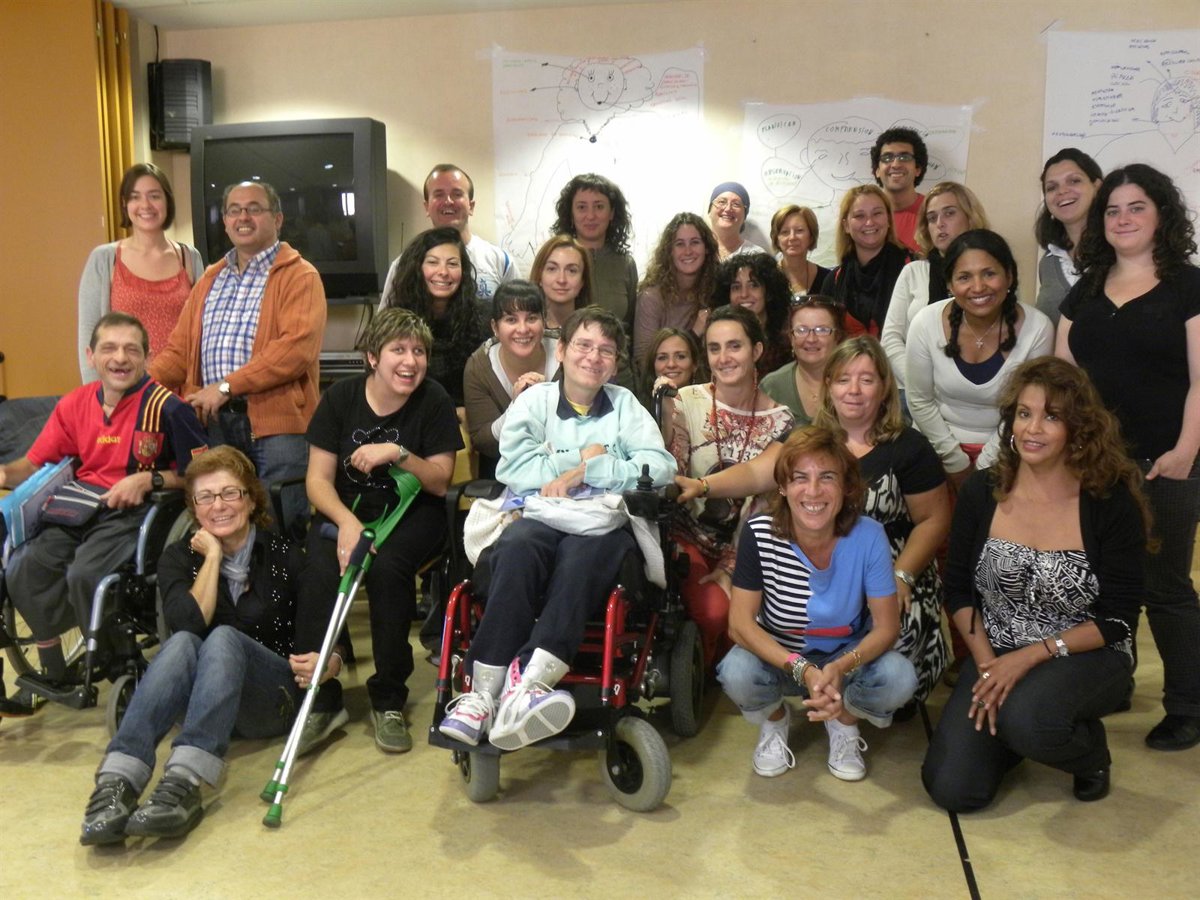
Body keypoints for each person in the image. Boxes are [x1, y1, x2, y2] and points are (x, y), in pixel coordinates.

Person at [438, 306, 676, 751]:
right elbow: (515, 468)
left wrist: (590, 471)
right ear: (562, 351)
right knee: (518, 544)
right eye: (583, 345)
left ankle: (531, 684)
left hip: (602, 523)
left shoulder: (626, 405)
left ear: (615, 363)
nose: (594, 357)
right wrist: (583, 459)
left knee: (584, 552)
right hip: (540, 516)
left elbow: (660, 466)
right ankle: (481, 694)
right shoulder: (534, 402)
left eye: (606, 350)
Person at [922, 358, 1147, 810]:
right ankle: (1013, 732)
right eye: (1024, 413)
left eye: (1052, 416)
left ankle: (1089, 755)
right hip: (995, 649)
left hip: (1082, 652)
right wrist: (988, 665)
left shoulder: (1109, 501)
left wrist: (1028, 657)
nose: (1033, 428)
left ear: (1078, 428)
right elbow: (959, 588)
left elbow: (1119, 619)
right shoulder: (982, 490)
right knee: (953, 789)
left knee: (1030, 721)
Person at [78, 447, 309, 844]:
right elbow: (187, 623)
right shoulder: (177, 557)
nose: (218, 505)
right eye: (206, 497)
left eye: (230, 493)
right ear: (194, 509)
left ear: (251, 500)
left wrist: (329, 659)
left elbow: (320, 637)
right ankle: (118, 781)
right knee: (185, 640)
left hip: (269, 700)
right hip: (203, 701)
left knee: (223, 637)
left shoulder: (285, 555)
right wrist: (213, 559)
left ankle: (184, 782)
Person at [1057, 163, 1200, 752]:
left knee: (1165, 587)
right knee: (1106, 585)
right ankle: (1113, 683)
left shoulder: (1189, 285)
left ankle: (1188, 706)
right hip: (1096, 465)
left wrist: (1185, 451)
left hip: (1168, 463)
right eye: (1113, 210)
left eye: (1137, 207)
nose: (1123, 219)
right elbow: (1062, 380)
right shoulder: (1087, 288)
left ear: (1161, 214)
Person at [0, 313, 208, 680]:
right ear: (91, 355)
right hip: (81, 506)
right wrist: (4, 473)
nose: (120, 358)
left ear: (147, 356)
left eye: (131, 349)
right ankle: (54, 670)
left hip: (138, 512)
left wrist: (149, 480)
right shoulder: (75, 403)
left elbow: (203, 472)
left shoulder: (169, 408)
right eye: (109, 348)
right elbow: (34, 464)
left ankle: (113, 661)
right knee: (26, 565)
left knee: (86, 574)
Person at [293, 309, 463, 756]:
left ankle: (388, 698)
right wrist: (347, 524)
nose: (410, 361)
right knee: (318, 571)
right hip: (346, 508)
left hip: (413, 510)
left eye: (418, 351)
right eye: (398, 350)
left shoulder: (434, 400)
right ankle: (322, 698)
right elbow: (317, 481)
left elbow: (440, 480)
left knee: (388, 569)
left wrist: (399, 453)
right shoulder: (341, 398)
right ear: (373, 357)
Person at [715, 426, 917, 781]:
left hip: (845, 659)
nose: (813, 491)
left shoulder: (870, 534)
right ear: (783, 486)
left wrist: (840, 666)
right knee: (737, 671)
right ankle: (775, 721)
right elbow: (739, 624)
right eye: (799, 478)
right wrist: (802, 670)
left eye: (827, 477)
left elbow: (887, 628)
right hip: (782, 657)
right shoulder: (759, 532)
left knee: (899, 677)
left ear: (846, 486)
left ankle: (844, 723)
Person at [151, 180, 326, 534]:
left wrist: (226, 386)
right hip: (214, 426)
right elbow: (179, 352)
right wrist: (137, 390)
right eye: (234, 210)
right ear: (226, 222)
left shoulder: (300, 276)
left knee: (280, 530)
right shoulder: (210, 279)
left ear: (277, 219)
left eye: (254, 209)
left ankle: (280, 575)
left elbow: (294, 351)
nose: (243, 217)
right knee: (223, 527)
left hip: (278, 430)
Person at [813, 337, 951, 703]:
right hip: (824, 570)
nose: (854, 390)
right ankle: (828, 694)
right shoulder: (809, 442)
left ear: (884, 388)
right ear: (828, 386)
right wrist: (702, 486)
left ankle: (850, 706)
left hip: (895, 568)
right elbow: (762, 477)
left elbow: (934, 520)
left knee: (894, 642)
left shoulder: (910, 447)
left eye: (867, 379)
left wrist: (902, 575)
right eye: (843, 379)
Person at [666, 306, 793, 669]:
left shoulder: (781, 420)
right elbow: (672, 472)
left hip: (749, 547)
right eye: (714, 348)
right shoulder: (686, 400)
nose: (724, 358)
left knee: (747, 623)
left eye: (734, 346)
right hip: (685, 537)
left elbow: (765, 497)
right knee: (714, 613)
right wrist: (663, 414)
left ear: (757, 350)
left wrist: (732, 565)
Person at [906, 229, 1054, 485]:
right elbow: (919, 400)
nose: (978, 287)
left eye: (989, 273)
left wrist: (983, 468)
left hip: (1010, 449)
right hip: (935, 446)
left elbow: (1024, 409)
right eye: (964, 277)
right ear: (950, 284)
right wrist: (954, 461)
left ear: (1009, 276)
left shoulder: (1038, 328)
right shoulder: (925, 323)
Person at [77, 162, 201, 381]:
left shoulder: (189, 257)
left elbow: (203, 331)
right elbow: (89, 334)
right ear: (125, 204)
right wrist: (97, 395)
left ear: (167, 201)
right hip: (124, 390)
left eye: (154, 196)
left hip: (182, 389)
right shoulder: (104, 259)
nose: (145, 205)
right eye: (135, 197)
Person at [881, 181, 991, 394]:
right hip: (913, 390)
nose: (940, 224)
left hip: (971, 391)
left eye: (949, 213)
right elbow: (891, 338)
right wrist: (920, 381)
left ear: (970, 217)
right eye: (932, 218)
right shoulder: (914, 272)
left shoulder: (992, 273)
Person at [381, 163, 520, 303]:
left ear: (471, 206)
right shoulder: (403, 266)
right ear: (427, 207)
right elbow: (388, 317)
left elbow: (520, 311)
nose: (448, 201)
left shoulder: (501, 262)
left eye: (457, 194)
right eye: (439, 194)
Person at [379, 226, 485, 407]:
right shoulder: (395, 323)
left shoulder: (482, 319)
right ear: (417, 268)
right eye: (433, 262)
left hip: (468, 415)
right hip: (412, 413)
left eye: (452, 264)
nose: (443, 272)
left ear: (463, 270)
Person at [464, 281, 560, 479]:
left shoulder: (568, 356)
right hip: (504, 473)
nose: (522, 329)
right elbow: (484, 443)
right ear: (495, 327)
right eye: (511, 319)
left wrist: (547, 399)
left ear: (544, 321)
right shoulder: (479, 366)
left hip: (566, 466)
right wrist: (516, 407)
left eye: (531, 318)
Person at [818, 185, 913, 337]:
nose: (869, 222)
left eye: (877, 213)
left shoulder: (913, 270)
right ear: (846, 226)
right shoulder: (834, 280)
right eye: (859, 216)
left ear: (889, 219)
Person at [551, 173, 638, 333]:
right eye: (581, 207)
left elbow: (630, 325)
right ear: (571, 214)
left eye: (599, 207)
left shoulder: (626, 264)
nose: (590, 216)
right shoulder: (554, 259)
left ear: (612, 213)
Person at [633, 212, 719, 363]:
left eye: (695, 242)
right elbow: (644, 360)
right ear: (670, 251)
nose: (688, 251)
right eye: (680, 244)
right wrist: (695, 333)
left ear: (706, 248)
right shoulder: (652, 298)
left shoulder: (716, 290)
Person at [1034, 148, 1103, 325]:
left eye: (1074, 181)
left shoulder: (1120, 251)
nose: (1062, 191)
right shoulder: (1048, 262)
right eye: (1052, 187)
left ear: (1097, 186)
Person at [759, 295, 845, 425]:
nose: (811, 339)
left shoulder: (854, 383)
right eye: (802, 330)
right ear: (791, 337)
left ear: (837, 336)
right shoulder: (771, 387)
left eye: (822, 330)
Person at [714, 253, 792, 375]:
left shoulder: (788, 337)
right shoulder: (717, 335)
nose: (744, 294)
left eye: (753, 285)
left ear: (769, 292)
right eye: (736, 287)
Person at [871, 127, 928, 253]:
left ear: (918, 169)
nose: (896, 165)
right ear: (877, 171)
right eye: (887, 158)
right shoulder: (865, 217)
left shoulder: (933, 213)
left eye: (904, 157)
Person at [529, 233, 595, 336]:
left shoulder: (595, 331)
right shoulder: (523, 331)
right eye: (552, 269)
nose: (561, 279)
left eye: (572, 271)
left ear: (583, 280)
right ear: (539, 276)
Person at [770, 204, 829, 298]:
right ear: (776, 239)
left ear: (811, 236)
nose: (792, 237)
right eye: (785, 232)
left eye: (799, 231)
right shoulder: (766, 278)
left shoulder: (827, 278)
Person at [639, 327, 701, 412]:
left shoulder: (711, 405)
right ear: (652, 364)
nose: (671, 364)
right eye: (662, 358)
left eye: (680, 356)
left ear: (694, 364)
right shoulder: (638, 411)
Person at [707, 182, 767, 260]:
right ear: (709, 211)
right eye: (722, 202)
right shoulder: (695, 248)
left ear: (744, 215)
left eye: (736, 204)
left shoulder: (756, 255)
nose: (728, 209)